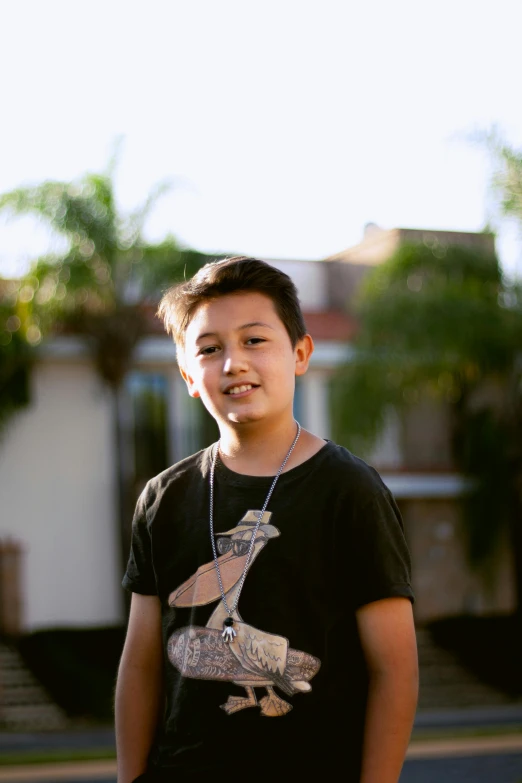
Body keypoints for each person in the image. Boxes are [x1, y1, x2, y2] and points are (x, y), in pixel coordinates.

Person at [115, 256, 418, 783]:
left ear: (300, 353)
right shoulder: (163, 497)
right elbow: (141, 663)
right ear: (188, 374)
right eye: (210, 349)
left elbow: (395, 670)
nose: (233, 363)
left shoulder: (350, 491)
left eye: (255, 340)